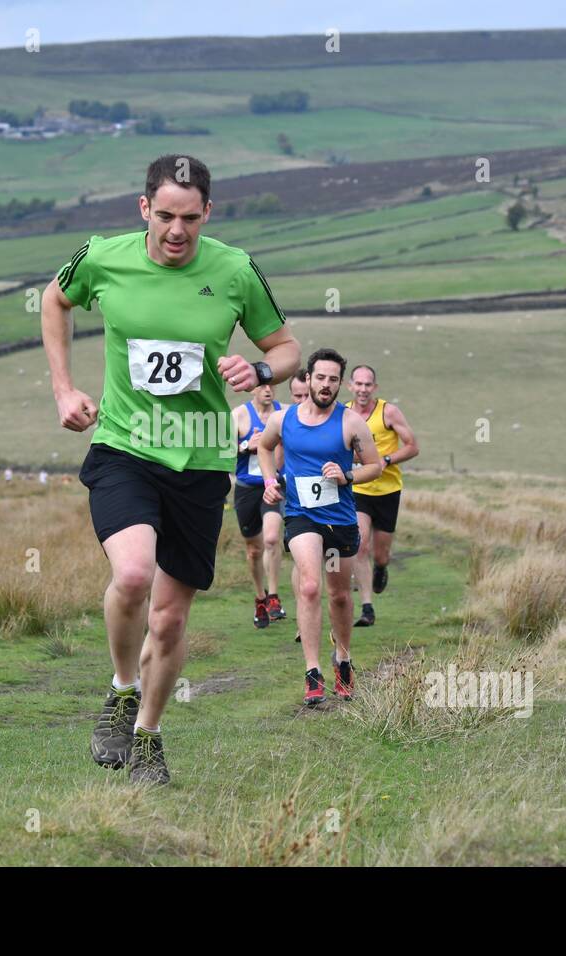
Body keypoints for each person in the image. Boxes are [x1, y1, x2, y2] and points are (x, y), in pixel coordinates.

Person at [42, 153, 300, 785]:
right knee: (132, 576)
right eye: (164, 216)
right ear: (143, 210)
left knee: (171, 617)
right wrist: (63, 389)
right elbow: (54, 299)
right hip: (125, 447)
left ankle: (149, 736)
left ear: (207, 212)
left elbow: (286, 347)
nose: (177, 231)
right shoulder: (104, 256)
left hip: (203, 456)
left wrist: (260, 371)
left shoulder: (236, 271)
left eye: (190, 218)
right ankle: (122, 689)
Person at [258, 348, 382, 706]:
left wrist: (347, 475)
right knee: (310, 586)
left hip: (339, 519)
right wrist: (269, 480)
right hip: (301, 515)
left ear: (339, 384)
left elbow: (374, 466)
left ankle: (343, 659)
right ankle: (312, 671)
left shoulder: (350, 423)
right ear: (308, 379)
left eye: (333, 380)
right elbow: (265, 448)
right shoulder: (285, 419)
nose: (326, 385)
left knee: (340, 594)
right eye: (320, 377)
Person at [345, 365, 419, 628]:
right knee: (360, 543)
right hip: (358, 489)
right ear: (349, 386)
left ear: (374, 387)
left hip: (388, 490)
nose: (363, 389)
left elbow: (413, 446)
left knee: (381, 553)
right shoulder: (343, 413)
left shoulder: (388, 412)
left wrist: (387, 459)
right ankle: (367, 607)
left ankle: (381, 567)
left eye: (368, 385)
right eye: (359, 384)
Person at [231, 384, 286, 628]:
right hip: (246, 489)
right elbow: (221, 450)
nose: (267, 389)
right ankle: (260, 597)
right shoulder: (239, 415)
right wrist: (246, 446)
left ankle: (274, 597)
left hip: (273, 486)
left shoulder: (284, 412)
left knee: (272, 538)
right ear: (252, 389)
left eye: (271, 384)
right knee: (254, 550)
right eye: (261, 385)